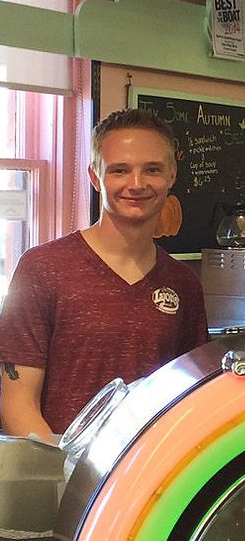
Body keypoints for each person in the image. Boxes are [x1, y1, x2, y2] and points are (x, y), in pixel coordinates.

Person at [0, 108, 208, 439]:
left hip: (151, 479)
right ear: (95, 177)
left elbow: (190, 397)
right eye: (119, 171)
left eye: (151, 170)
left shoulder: (183, 284)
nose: (136, 184)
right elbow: (16, 401)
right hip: (60, 480)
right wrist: (64, 475)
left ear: (171, 175)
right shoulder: (43, 268)